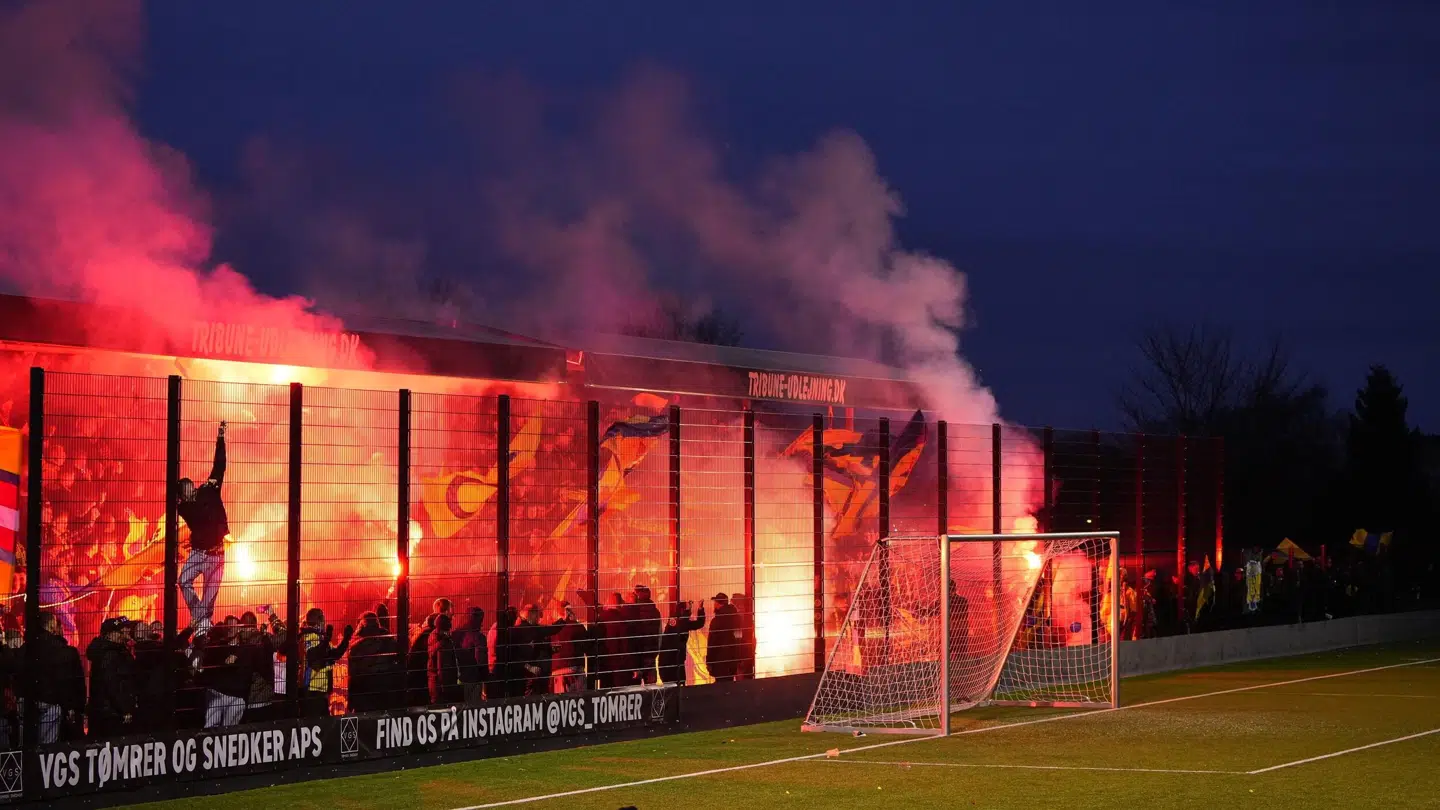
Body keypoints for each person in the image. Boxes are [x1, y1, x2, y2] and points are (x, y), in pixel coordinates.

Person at [177, 421, 229, 633]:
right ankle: (200, 620)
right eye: (185, 491)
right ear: (182, 495)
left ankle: (200, 626)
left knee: (209, 604)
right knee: (183, 580)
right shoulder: (183, 508)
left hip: (216, 555)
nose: (190, 491)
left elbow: (219, 466)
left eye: (190, 487)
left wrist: (220, 439)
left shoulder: (208, 489)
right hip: (199, 553)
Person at [25, 611, 85, 743]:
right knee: (48, 744)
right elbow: (65, 680)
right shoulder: (62, 650)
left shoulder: (29, 647)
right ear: (52, 625)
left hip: (30, 700)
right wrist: (71, 706)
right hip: (53, 702)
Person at [85, 617, 138, 738]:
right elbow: (112, 684)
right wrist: (124, 709)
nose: (122, 635)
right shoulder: (110, 654)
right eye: (118, 632)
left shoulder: (110, 651)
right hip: (111, 712)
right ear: (109, 635)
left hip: (105, 710)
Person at [299, 608, 353, 717]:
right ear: (318, 620)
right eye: (323, 618)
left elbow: (334, 654)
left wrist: (346, 640)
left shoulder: (321, 637)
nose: (325, 621)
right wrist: (326, 640)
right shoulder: (308, 636)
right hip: (312, 692)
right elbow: (313, 655)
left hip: (322, 692)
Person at [349, 610, 402, 713]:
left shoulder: (356, 642)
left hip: (364, 686)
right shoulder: (387, 638)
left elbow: (353, 671)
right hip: (384, 683)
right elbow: (397, 657)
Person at [659, 600, 705, 685]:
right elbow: (699, 623)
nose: (690, 611)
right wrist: (698, 609)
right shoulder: (681, 622)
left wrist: (692, 609)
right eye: (687, 609)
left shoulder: (674, 619)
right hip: (674, 659)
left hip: (667, 659)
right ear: (683, 610)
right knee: (678, 684)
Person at [549, 601, 591, 694]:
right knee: (580, 702)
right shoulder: (577, 627)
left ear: (556, 612)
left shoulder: (551, 629)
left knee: (562, 704)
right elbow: (586, 646)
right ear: (569, 612)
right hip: (575, 669)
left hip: (558, 671)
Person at [627, 585, 663, 684]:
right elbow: (660, 634)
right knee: (651, 689)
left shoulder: (634, 611)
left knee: (635, 690)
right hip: (651, 656)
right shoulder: (656, 612)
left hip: (637, 656)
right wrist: (656, 652)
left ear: (638, 595)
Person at [455, 607, 489, 704]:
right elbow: (481, 662)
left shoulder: (455, 634)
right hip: (473, 680)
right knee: (473, 711)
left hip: (456, 680)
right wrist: (485, 686)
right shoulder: (478, 637)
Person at [706, 593, 742, 682]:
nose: (714, 605)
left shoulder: (716, 621)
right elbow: (739, 638)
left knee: (720, 686)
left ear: (718, 604)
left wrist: (709, 661)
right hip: (732, 659)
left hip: (719, 661)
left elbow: (712, 642)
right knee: (729, 685)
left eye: (715, 602)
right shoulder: (737, 619)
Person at [427, 613, 462, 704]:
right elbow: (441, 663)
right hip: (440, 682)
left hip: (439, 681)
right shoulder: (442, 641)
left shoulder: (437, 637)